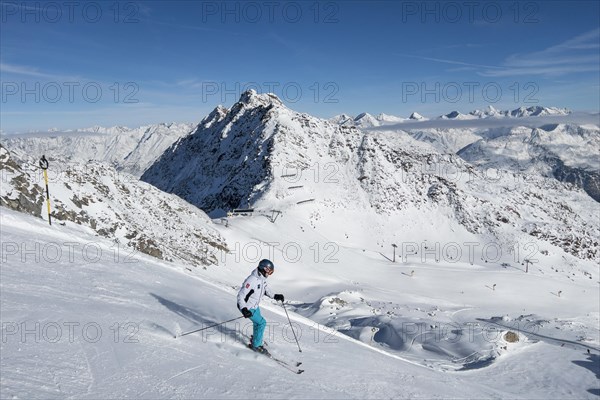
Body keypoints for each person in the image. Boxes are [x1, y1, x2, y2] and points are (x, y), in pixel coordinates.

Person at [237, 259, 284, 354]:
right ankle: (256, 346)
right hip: (247, 307)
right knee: (262, 323)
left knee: (257, 323)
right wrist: (244, 309)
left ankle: (255, 339)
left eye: (271, 272)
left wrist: (275, 296)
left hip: (254, 306)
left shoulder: (262, 278)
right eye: (269, 271)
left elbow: (266, 290)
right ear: (263, 268)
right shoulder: (251, 280)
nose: (269, 274)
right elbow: (241, 296)